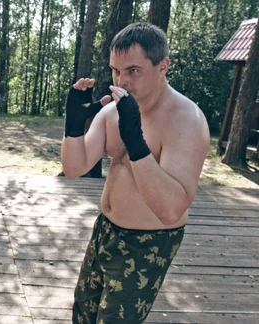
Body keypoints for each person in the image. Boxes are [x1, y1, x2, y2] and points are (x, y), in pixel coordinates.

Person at [60, 22, 210, 324]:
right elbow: (74, 169)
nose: (121, 80)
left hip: (147, 243)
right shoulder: (113, 112)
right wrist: (73, 126)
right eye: (116, 70)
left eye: (133, 70)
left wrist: (135, 141)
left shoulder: (186, 120)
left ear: (162, 66)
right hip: (105, 230)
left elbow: (170, 209)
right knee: (83, 317)